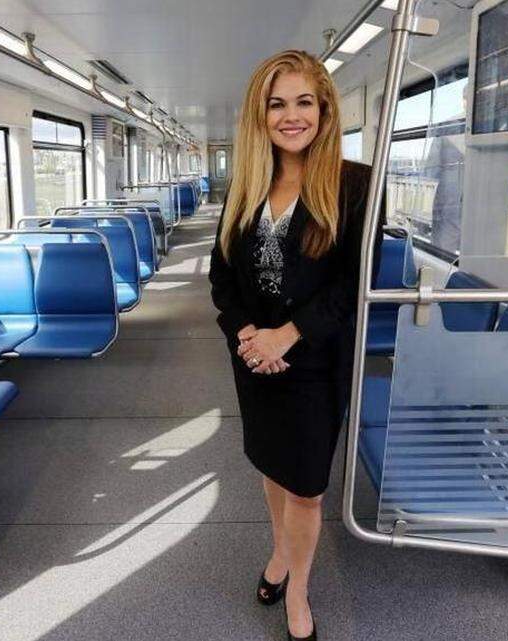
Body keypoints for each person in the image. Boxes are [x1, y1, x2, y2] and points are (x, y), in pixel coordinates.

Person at [208, 49, 382, 641]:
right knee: (271, 466)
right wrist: (246, 335)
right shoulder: (246, 185)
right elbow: (222, 278)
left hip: (315, 360)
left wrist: (291, 332)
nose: (291, 115)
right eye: (276, 103)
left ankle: (298, 590)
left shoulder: (356, 185)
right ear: (261, 115)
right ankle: (278, 555)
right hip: (255, 360)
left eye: (303, 101)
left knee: (306, 486)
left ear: (324, 108)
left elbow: (353, 283)